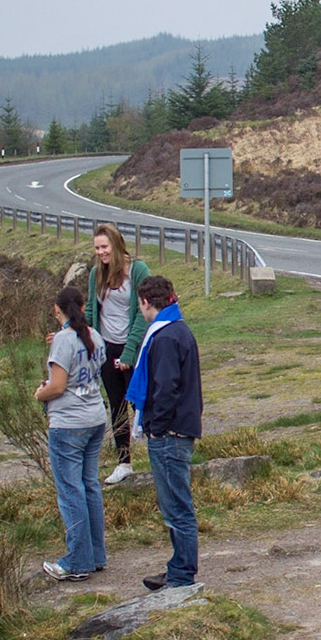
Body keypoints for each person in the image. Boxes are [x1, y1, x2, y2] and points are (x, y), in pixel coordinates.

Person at [130, 276, 202, 591]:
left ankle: (182, 574)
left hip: (169, 433)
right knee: (175, 503)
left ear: (146, 302)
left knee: (176, 506)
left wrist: (155, 429)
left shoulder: (165, 336)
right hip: (178, 428)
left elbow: (166, 389)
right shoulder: (178, 330)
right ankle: (178, 567)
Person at [36, 286, 107, 582]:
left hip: (68, 423)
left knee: (70, 490)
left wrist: (40, 393)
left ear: (57, 310)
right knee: (89, 485)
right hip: (95, 416)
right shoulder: (95, 336)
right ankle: (95, 554)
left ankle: (77, 560)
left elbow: (57, 386)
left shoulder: (64, 340)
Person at [81, 225, 149, 485]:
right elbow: (90, 310)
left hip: (134, 346)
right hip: (107, 347)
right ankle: (124, 462)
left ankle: (157, 452)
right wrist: (75, 334)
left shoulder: (138, 271)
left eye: (104, 247)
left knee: (140, 402)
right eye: (97, 248)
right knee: (117, 404)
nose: (100, 252)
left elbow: (143, 314)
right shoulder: (97, 274)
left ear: (116, 245)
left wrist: (130, 351)